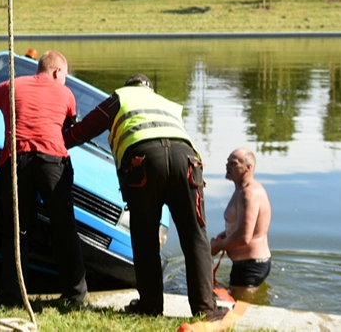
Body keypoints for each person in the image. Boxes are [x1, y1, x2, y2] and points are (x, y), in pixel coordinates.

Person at [64, 74, 222, 321]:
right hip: (186, 161)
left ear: (130, 87)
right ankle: (206, 310)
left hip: (144, 162)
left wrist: (57, 142)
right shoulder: (166, 103)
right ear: (150, 88)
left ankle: (150, 305)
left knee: (145, 239)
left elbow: (85, 130)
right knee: (195, 236)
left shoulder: (120, 98)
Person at [0, 51, 88, 307]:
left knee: (17, 229)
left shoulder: (11, 85)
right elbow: (68, 132)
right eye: (64, 75)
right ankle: (76, 295)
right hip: (52, 162)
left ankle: (14, 295)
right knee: (64, 227)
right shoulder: (66, 95)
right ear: (57, 72)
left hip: (16, 161)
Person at [210, 148, 272, 298]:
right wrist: (225, 234)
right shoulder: (241, 190)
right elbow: (243, 225)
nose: (227, 166)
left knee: (238, 312)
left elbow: (244, 236)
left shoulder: (248, 194)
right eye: (227, 162)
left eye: (233, 163)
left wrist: (218, 246)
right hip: (247, 264)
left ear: (248, 167)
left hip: (250, 266)